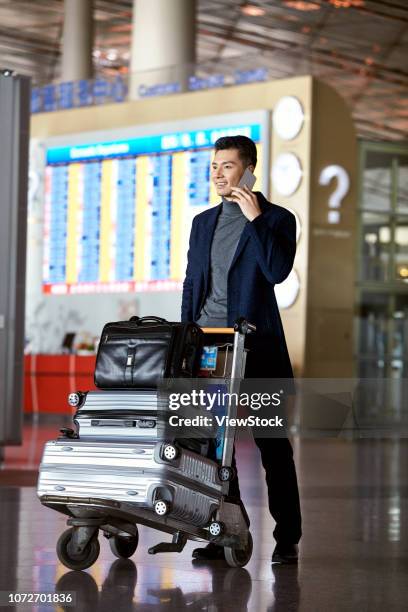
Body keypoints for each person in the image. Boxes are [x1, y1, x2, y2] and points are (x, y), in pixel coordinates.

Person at [181, 135, 302, 564]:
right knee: (216, 448)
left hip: (257, 349)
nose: (218, 173)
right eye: (214, 165)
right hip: (210, 350)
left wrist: (255, 220)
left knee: (272, 445)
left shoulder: (278, 219)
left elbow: (278, 271)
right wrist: (186, 340)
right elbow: (193, 284)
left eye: (227, 166)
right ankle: (228, 532)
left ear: (249, 169)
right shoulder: (202, 222)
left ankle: (287, 536)